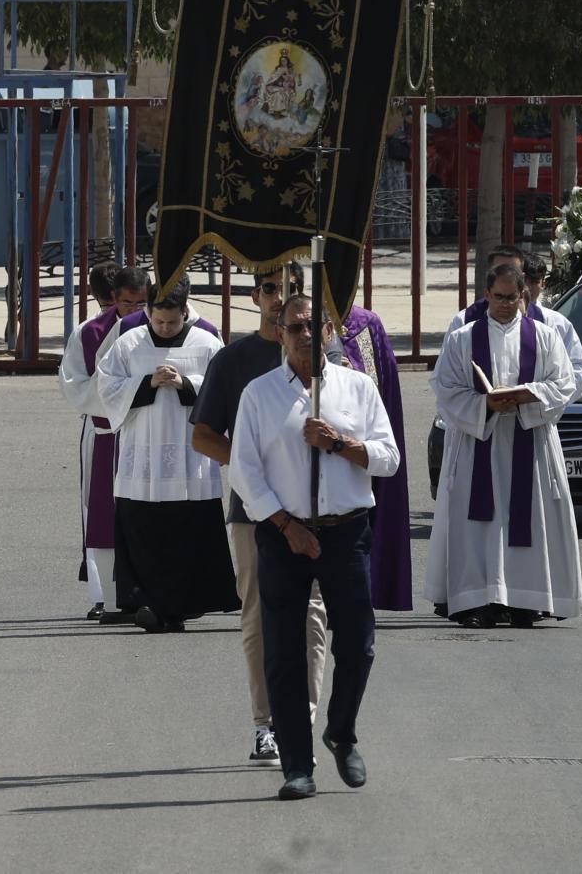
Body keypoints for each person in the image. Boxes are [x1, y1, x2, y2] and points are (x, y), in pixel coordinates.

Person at [229, 294, 401, 801]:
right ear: (279, 333)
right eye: (293, 327)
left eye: (312, 326)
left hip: (345, 530)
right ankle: (296, 765)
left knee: (359, 643)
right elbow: (244, 469)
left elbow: (387, 458)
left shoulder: (356, 387)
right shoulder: (259, 395)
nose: (304, 334)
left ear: (329, 331)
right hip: (285, 534)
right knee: (283, 652)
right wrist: (285, 524)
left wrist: (340, 445)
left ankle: (341, 730)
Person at [190, 263, 329, 768]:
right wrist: (250, 467)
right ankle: (266, 724)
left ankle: (303, 721)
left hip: (316, 512)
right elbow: (202, 434)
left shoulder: (324, 358)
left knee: (313, 614)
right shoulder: (235, 360)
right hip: (253, 514)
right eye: (272, 289)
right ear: (256, 296)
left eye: (291, 290)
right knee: (260, 615)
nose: (280, 298)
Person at [426, 264, 582, 629]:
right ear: (486, 296)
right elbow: (446, 389)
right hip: (480, 442)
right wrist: (485, 405)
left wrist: (527, 397)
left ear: (522, 297)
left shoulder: (545, 337)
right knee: (481, 524)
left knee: (528, 519)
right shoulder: (463, 338)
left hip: (530, 441)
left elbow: (564, 384)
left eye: (511, 298)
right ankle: (479, 600)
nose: (504, 304)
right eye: (497, 297)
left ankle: (527, 600)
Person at [97, 278, 238, 633]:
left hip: (191, 460)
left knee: (188, 530)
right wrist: (145, 383)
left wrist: (187, 383)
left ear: (184, 311)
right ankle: (150, 601)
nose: (163, 327)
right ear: (148, 312)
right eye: (158, 321)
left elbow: (225, 391)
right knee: (144, 530)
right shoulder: (130, 343)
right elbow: (107, 387)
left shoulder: (206, 343)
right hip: (141, 460)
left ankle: (183, 603)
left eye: (171, 322)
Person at [57, 264, 147, 622]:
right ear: (114, 299)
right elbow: (74, 386)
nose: (136, 312)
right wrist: (121, 398)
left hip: (150, 436)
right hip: (107, 433)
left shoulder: (166, 327)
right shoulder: (90, 332)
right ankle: (106, 595)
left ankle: (148, 589)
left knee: (148, 513)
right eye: (128, 304)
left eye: (142, 303)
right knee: (101, 514)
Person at [332, 303, 413, 612]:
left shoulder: (365, 323)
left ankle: (362, 592)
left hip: (355, 446)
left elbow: (382, 389)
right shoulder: (300, 317)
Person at [521, 252, 582, 400]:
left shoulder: (557, 323)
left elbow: (578, 371)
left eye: (533, 281)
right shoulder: (487, 320)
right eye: (523, 279)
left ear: (543, 284)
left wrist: (544, 398)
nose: (527, 286)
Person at [443, 243, 526, 346]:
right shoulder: (463, 321)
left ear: (522, 277)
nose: (506, 277)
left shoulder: (544, 321)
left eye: (512, 271)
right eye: (499, 271)